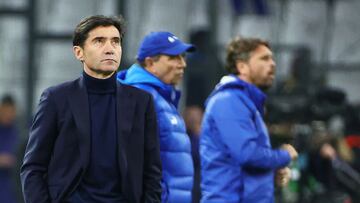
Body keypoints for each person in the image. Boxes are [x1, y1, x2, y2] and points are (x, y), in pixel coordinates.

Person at [20, 15, 162, 203]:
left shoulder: (141, 102)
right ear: (79, 52)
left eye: (115, 41)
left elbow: (152, 171)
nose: (110, 49)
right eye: (99, 41)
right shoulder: (56, 99)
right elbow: (33, 167)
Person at [200, 37, 298, 202]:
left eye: (272, 58)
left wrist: (270, 174)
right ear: (242, 66)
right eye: (264, 58)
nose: (272, 64)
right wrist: (284, 155)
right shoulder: (229, 100)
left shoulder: (245, 102)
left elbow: (242, 163)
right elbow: (247, 154)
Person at [117, 31, 195, 203]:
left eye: (183, 57)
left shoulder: (162, 98)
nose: (182, 64)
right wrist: (158, 197)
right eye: (174, 58)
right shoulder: (140, 96)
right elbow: (132, 161)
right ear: (150, 63)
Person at [0, 94, 19, 203]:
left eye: (12, 111)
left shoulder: (18, 133)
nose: (9, 115)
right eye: (6, 111)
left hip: (12, 192)